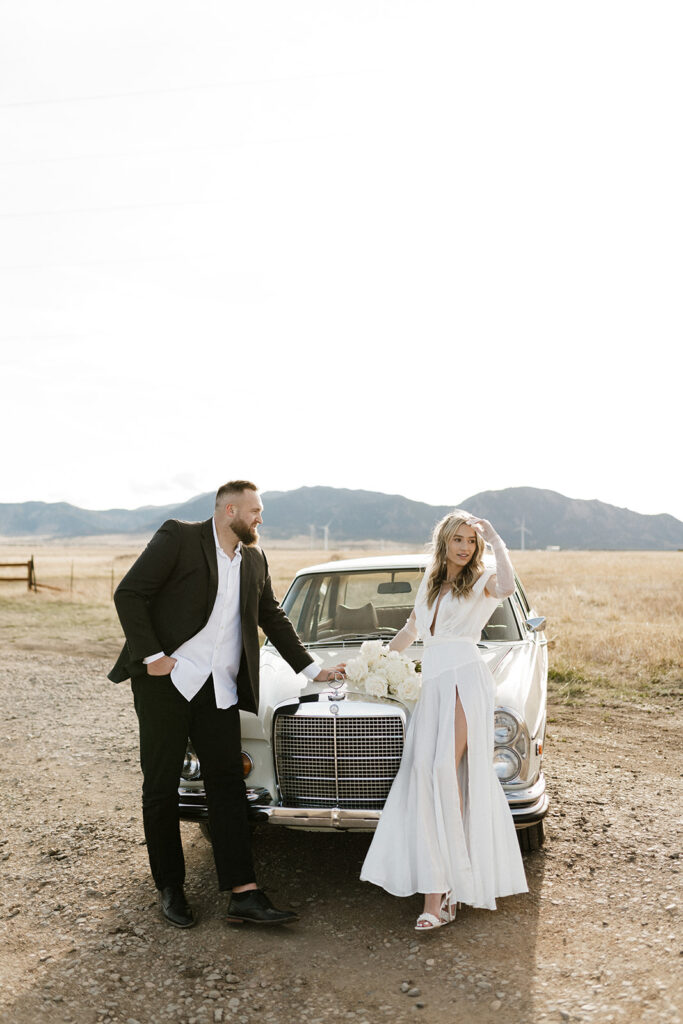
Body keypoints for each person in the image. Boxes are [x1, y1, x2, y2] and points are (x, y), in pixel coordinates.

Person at [108, 480, 345, 929]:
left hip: (218, 690)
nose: (260, 518)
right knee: (161, 787)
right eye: (255, 510)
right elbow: (129, 593)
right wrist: (154, 657)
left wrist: (313, 670)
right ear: (229, 510)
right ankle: (170, 887)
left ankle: (243, 893)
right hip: (166, 684)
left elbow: (270, 615)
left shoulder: (253, 558)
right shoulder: (179, 537)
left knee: (228, 788)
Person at [360, 511, 528, 930]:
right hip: (433, 681)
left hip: (464, 678)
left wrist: (495, 539)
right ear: (444, 541)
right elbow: (411, 630)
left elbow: (507, 587)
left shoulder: (481, 579)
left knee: (442, 770)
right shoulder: (432, 580)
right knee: (421, 770)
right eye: (459, 538)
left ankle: (443, 892)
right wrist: (374, 662)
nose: (465, 546)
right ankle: (437, 881)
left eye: (471, 540)